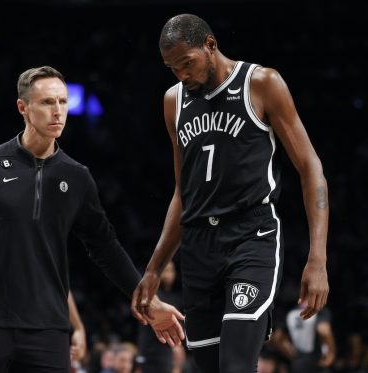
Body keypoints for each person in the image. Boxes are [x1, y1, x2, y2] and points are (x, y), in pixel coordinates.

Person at [0, 65, 185, 373]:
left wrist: (148, 299)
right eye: (47, 102)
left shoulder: (77, 177)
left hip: (48, 329)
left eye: (62, 102)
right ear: (23, 108)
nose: (58, 111)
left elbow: (106, 248)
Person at [131, 14, 330, 372]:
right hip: (198, 247)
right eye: (172, 68)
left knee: (236, 365)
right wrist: (154, 267)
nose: (181, 75)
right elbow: (183, 191)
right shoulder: (173, 102)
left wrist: (318, 258)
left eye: (187, 64)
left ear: (210, 45)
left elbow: (311, 168)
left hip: (251, 236)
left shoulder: (262, 83)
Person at [137, 261, 182, 373]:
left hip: (167, 352)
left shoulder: (177, 298)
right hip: (149, 351)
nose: (168, 275)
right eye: (165, 270)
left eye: (171, 270)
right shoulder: (151, 296)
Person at [273, 304, 336, 372]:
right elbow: (323, 331)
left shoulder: (292, 312)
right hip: (316, 360)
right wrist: (331, 353)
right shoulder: (318, 310)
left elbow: (278, 336)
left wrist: (291, 354)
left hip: (299, 361)